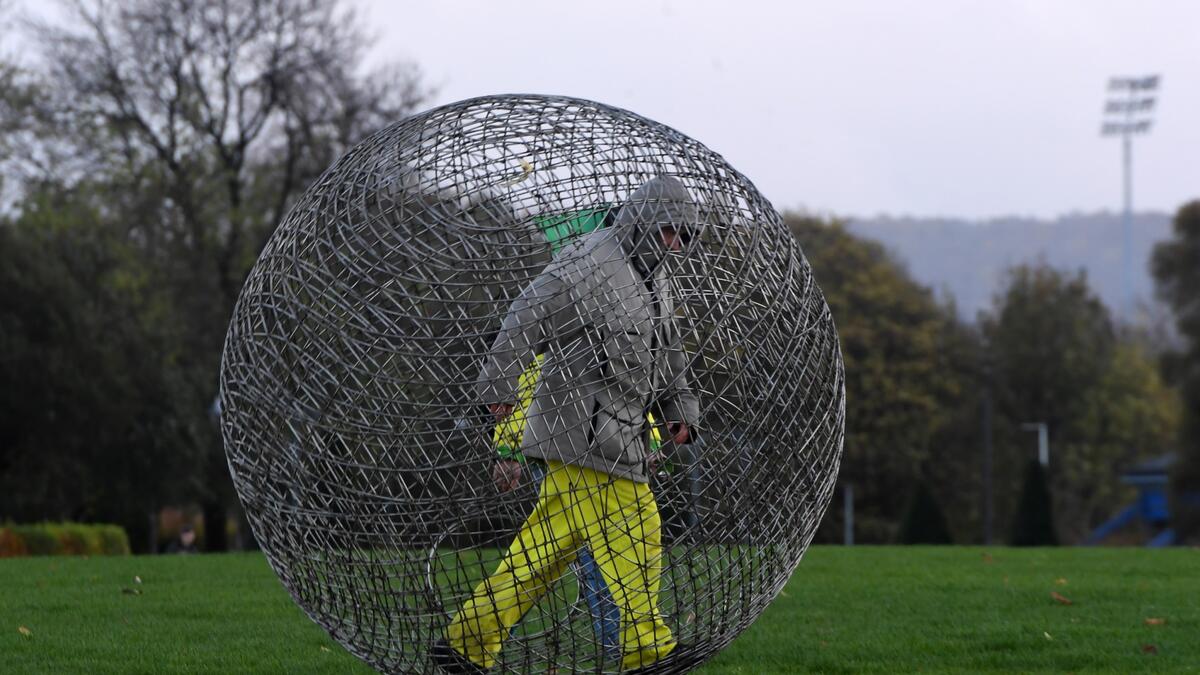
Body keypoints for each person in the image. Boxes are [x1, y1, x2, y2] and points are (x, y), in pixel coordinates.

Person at [434, 176, 700, 674]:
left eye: (684, 236)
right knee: (638, 533)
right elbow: (524, 315)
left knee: (541, 554)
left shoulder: (652, 272)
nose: (676, 244)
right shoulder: (588, 265)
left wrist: (678, 411)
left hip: (611, 437)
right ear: (643, 222)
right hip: (585, 436)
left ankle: (464, 648)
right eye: (669, 231)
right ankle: (647, 653)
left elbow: (668, 350)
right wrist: (497, 391)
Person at [491, 353, 668, 660]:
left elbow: (624, 387)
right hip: (562, 454)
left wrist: (647, 441)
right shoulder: (553, 332)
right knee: (587, 552)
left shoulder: (584, 327)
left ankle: (479, 636)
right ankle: (619, 643)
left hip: (601, 452)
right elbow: (522, 388)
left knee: (575, 552)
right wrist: (507, 451)